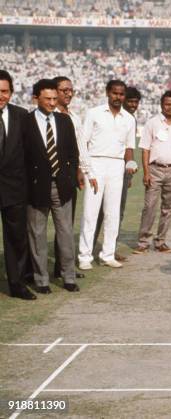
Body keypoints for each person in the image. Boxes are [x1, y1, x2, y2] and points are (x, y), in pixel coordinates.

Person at [23, 79, 80, 294]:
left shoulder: (64, 121)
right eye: (48, 99)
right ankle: (41, 280)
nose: (52, 102)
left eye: (55, 99)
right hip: (36, 188)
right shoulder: (25, 122)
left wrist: (70, 177)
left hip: (62, 186)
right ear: (36, 98)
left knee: (65, 233)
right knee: (37, 234)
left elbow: (73, 154)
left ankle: (69, 277)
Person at [78, 80, 136, 270]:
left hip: (116, 166)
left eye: (121, 94)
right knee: (90, 212)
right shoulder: (94, 113)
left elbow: (129, 147)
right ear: (108, 93)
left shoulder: (128, 118)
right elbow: (83, 142)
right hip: (95, 162)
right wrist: (85, 168)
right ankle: (85, 256)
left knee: (113, 214)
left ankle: (107, 254)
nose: (118, 97)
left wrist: (130, 163)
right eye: (115, 93)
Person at [132, 90, 171, 254]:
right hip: (155, 169)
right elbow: (145, 149)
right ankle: (143, 242)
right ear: (161, 105)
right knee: (149, 206)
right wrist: (146, 172)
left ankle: (160, 241)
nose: (170, 107)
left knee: (168, 208)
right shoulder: (153, 123)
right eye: (167, 104)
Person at [93, 86, 141, 261]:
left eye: (136, 102)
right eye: (130, 101)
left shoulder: (130, 119)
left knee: (116, 212)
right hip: (103, 168)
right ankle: (92, 247)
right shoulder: (106, 116)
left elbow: (129, 147)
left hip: (121, 171)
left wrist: (129, 173)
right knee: (97, 211)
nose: (133, 105)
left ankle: (109, 249)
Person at [0, 70, 36, 300]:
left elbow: (30, 154)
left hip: (14, 188)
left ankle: (17, 284)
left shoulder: (22, 116)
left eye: (4, 91)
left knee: (16, 238)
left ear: (11, 93)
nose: (0, 96)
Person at [52, 75, 89, 281]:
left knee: (66, 225)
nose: (68, 93)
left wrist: (81, 171)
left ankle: (63, 267)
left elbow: (79, 149)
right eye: (64, 90)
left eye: (70, 90)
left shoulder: (74, 116)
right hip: (47, 177)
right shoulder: (48, 115)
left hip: (69, 177)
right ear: (54, 92)